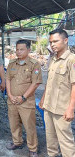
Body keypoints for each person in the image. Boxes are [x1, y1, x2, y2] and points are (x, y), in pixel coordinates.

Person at [39, 29, 75, 157]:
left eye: (55, 41)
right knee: (50, 139)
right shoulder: (53, 59)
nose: (52, 44)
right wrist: (43, 99)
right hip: (49, 106)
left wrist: (71, 108)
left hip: (62, 109)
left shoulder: (71, 60)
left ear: (65, 41)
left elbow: (74, 85)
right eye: (50, 42)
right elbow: (49, 82)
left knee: (65, 141)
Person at [6, 40, 42, 157]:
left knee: (29, 125)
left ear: (28, 50)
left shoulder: (34, 64)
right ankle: (17, 142)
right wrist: (10, 95)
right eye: (17, 49)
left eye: (21, 49)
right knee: (14, 123)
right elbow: (7, 80)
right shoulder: (12, 63)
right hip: (12, 101)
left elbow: (35, 83)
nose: (18, 52)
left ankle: (32, 148)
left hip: (26, 101)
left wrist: (23, 97)